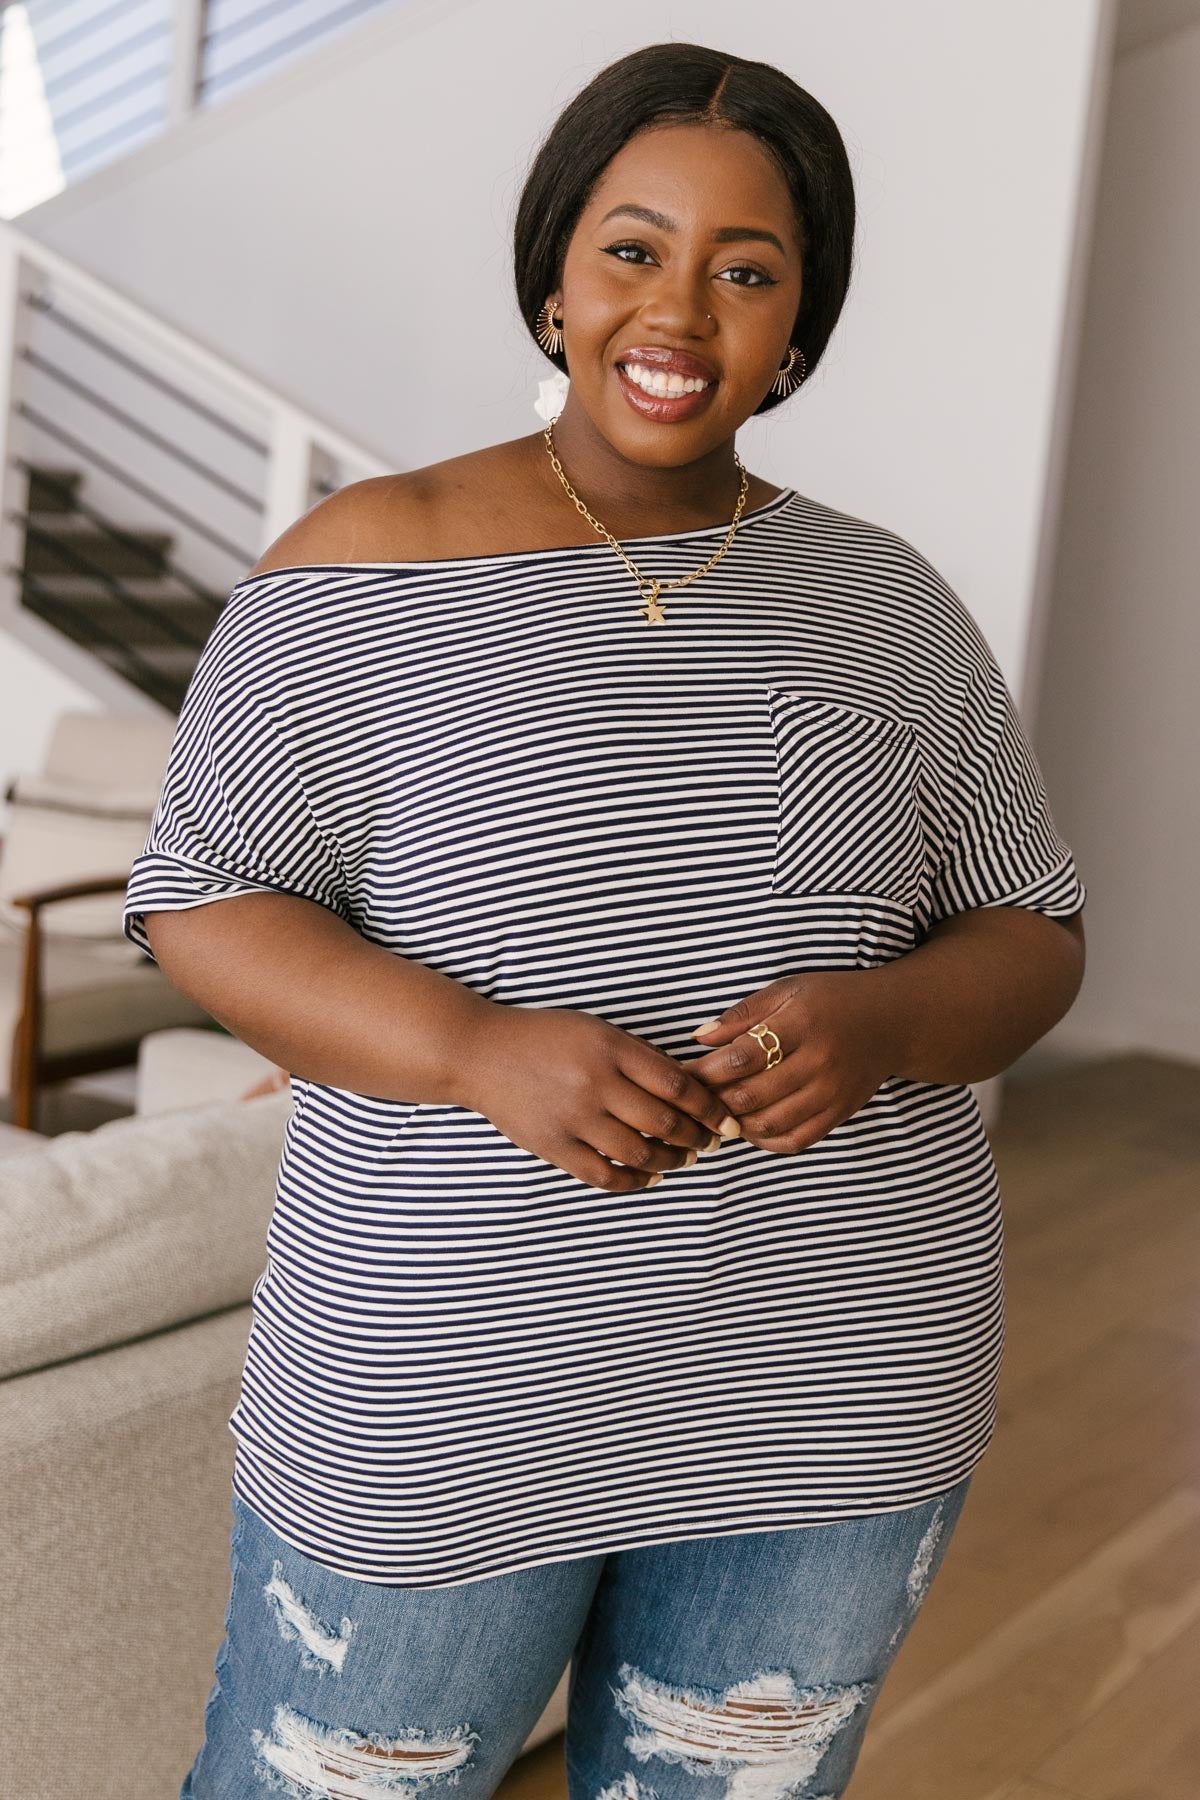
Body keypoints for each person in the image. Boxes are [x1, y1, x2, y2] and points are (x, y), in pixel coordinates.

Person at [124, 40, 1087, 1800]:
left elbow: (1033, 929)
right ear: (556, 275)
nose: (681, 312)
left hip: (833, 1389)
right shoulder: (362, 565)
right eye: (634, 249)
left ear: (799, 324)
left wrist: (877, 1026)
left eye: (747, 271)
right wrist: (474, 1050)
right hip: (440, 1396)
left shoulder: (888, 604)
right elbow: (204, 900)